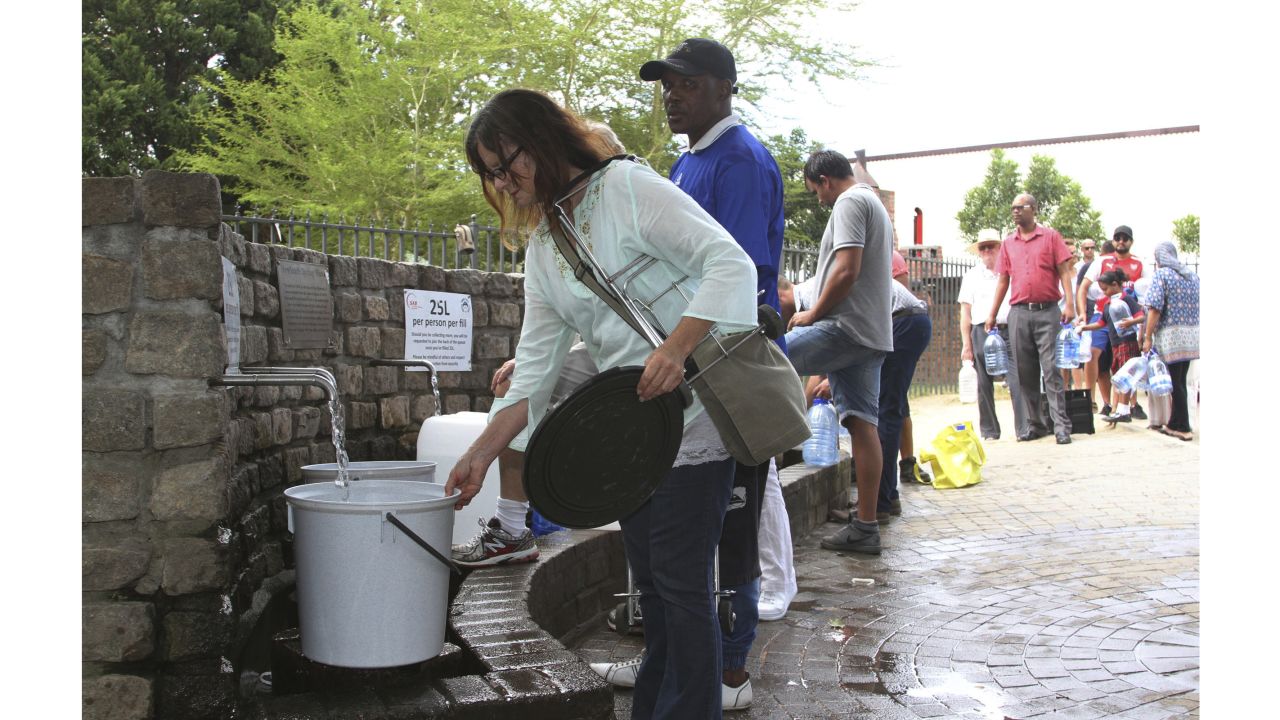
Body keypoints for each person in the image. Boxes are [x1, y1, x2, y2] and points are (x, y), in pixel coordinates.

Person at [445, 89, 758, 720]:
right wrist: (479, 454)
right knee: (658, 590)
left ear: (544, 139)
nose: (506, 182)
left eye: (509, 163)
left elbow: (731, 264)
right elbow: (531, 377)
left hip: (697, 418)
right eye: (493, 174)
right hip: (635, 435)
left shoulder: (626, 189)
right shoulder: (545, 247)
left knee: (679, 587)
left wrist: (676, 346)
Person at [591, 38, 786, 711]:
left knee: (721, 538)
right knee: (674, 569)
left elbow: (732, 272)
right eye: (667, 86)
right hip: (686, 370)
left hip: (722, 372)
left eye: (689, 85)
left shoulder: (738, 161)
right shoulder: (688, 161)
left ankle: (728, 672)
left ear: (725, 88)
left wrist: (680, 345)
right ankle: (672, 682)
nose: (673, 96)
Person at [451, 122, 625, 568]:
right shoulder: (551, 238)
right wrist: (531, 365)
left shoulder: (628, 206)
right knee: (518, 384)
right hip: (604, 354)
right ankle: (511, 528)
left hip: (657, 359)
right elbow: (561, 324)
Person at [787, 149, 894, 555]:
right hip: (870, 334)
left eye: (816, 191)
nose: (819, 200)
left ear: (825, 180)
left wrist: (812, 313)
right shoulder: (873, 202)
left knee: (767, 360)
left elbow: (847, 269)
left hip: (845, 328)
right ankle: (866, 526)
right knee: (862, 425)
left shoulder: (850, 201)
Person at [983, 193, 1076, 444]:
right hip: (1019, 313)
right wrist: (992, 313)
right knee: (1025, 372)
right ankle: (1036, 424)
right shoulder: (1008, 243)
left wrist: (1069, 303)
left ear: (1033, 210)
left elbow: (1064, 271)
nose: (1015, 211)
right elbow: (1003, 280)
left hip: (1048, 312)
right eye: (1012, 207)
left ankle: (1061, 426)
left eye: (1020, 207)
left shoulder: (1051, 237)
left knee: (1052, 369)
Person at [876, 281, 933, 519]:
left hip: (903, 322)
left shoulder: (809, 299)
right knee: (891, 408)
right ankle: (888, 497)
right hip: (906, 321)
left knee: (887, 412)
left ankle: (882, 504)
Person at [1077, 225, 1146, 419]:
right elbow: (1083, 288)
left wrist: (1138, 326)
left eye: (1125, 238)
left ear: (1131, 241)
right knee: (1095, 356)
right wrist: (1083, 317)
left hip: (1127, 327)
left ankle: (1127, 406)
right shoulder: (1102, 261)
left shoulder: (1139, 265)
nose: (1121, 241)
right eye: (1117, 238)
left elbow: (1145, 302)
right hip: (1102, 316)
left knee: (1126, 365)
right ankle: (1098, 401)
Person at [958, 228, 1020, 440]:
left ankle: (1023, 427)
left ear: (999, 248)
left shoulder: (1011, 272)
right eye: (982, 247)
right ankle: (990, 430)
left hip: (1008, 328)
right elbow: (965, 311)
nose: (986, 251)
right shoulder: (971, 276)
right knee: (983, 383)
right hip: (981, 329)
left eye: (990, 246)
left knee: (1017, 378)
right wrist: (966, 344)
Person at [1141, 241, 1199, 441]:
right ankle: (1175, 423)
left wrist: (1147, 337)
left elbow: (1155, 308)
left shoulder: (1162, 275)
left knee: (1176, 382)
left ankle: (1183, 427)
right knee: (1181, 380)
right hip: (1191, 335)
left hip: (1172, 336)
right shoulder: (1192, 276)